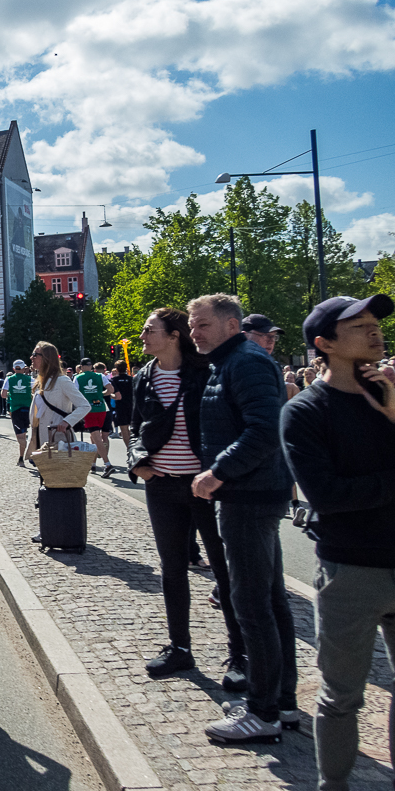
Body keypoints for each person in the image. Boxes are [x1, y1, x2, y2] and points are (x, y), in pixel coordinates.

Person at [280, 294, 395, 787]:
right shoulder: (306, 411)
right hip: (351, 570)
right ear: (323, 344)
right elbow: (328, 495)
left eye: (376, 323)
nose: (375, 331)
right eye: (360, 325)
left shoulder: (388, 397)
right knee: (342, 696)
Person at [189, 294, 297, 744]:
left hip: (249, 496)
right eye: (192, 326)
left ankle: (263, 711)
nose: (194, 332)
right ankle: (281, 702)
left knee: (252, 606)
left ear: (231, 326)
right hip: (253, 493)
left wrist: (218, 472)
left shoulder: (245, 362)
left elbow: (264, 430)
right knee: (271, 603)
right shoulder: (232, 359)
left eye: (202, 325)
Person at [127, 309, 245, 691]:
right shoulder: (144, 376)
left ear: (174, 335)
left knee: (223, 571)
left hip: (206, 486)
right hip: (161, 486)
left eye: (149, 330)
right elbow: (132, 430)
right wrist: (137, 464)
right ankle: (180, 647)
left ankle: (239, 653)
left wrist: (217, 472)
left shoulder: (204, 371)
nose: (143, 336)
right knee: (172, 568)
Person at [29, 343, 91, 453]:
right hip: (41, 438)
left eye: (35, 354)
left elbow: (85, 406)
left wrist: (67, 421)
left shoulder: (62, 381)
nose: (31, 357)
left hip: (58, 439)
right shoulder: (40, 382)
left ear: (46, 358)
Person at [74, 359, 116, 478]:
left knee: (97, 438)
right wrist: (101, 394)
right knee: (94, 436)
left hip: (89, 410)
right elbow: (111, 390)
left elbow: (74, 393)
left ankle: (107, 464)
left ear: (81, 367)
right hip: (101, 408)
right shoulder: (100, 375)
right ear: (91, 366)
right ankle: (93, 463)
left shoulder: (78, 378)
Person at [1, 360, 33, 466]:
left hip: (15, 410)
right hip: (29, 409)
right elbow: (38, 391)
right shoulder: (30, 379)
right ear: (24, 368)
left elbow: (3, 395)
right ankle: (32, 455)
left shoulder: (9, 379)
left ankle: (21, 458)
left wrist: (12, 394)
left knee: (21, 436)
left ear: (14, 369)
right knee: (33, 434)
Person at [109, 360, 135, 457]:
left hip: (121, 407)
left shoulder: (114, 380)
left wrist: (111, 396)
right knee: (132, 430)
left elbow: (117, 396)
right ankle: (134, 447)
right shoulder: (132, 379)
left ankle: (129, 450)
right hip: (132, 406)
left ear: (116, 369)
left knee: (124, 430)